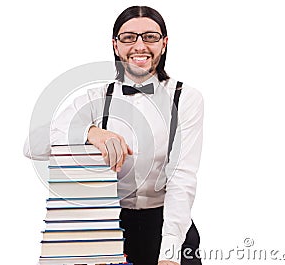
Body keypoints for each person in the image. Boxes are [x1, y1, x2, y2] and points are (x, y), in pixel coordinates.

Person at [24, 6, 203, 265]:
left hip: (169, 224)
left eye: (150, 37)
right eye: (129, 37)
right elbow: (32, 146)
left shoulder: (186, 98)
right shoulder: (96, 99)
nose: (140, 45)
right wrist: (89, 132)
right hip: (107, 226)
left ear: (164, 44)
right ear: (116, 45)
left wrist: (170, 255)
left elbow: (182, 178)